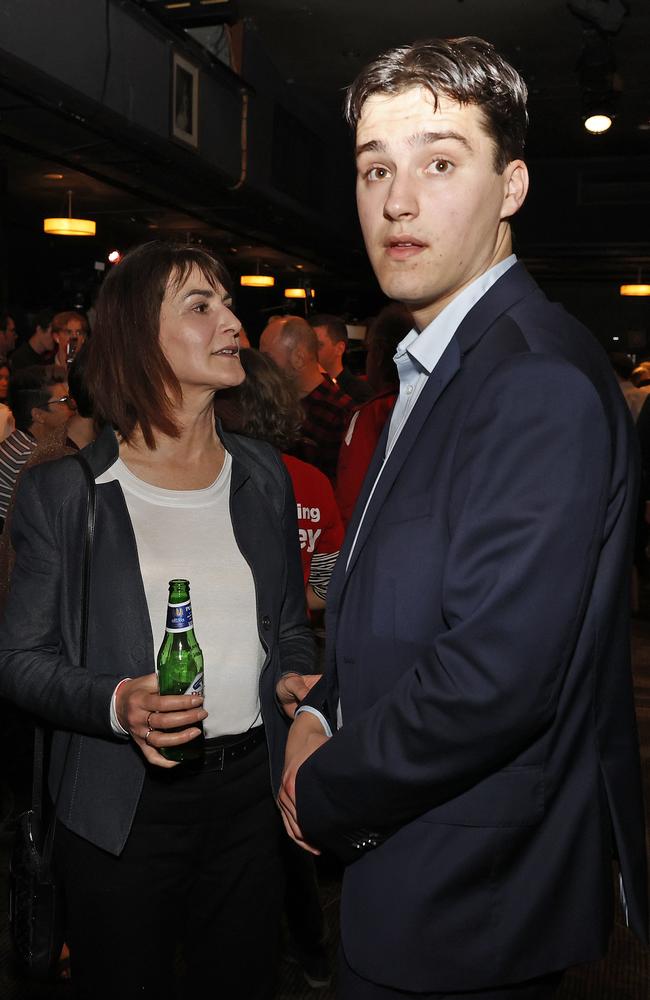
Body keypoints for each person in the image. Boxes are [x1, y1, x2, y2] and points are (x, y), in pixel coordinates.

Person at [278, 36, 649, 1000]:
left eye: (440, 163)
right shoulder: (441, 362)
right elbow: (406, 603)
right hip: (428, 880)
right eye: (375, 170)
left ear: (511, 186)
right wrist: (324, 705)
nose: (397, 201)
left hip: (469, 904)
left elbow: (492, 678)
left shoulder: (530, 377)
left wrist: (324, 786)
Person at [0, 241, 317, 1000]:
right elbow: (19, 658)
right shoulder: (68, 493)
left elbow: (287, 624)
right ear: (142, 335)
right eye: (201, 307)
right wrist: (117, 704)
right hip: (120, 810)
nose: (233, 323)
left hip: (250, 798)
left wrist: (296, 682)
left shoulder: (263, 474)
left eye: (228, 304)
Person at [336, 303, 412, 526]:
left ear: (378, 354)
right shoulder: (448, 403)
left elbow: (351, 502)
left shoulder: (371, 416)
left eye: (368, 351)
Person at [260, 315, 354, 483]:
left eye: (268, 358)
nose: (263, 367)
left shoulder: (340, 412)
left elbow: (342, 486)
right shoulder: (271, 405)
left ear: (298, 358)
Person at [0, 367, 71, 525]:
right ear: (38, 415)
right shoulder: (29, 458)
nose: (72, 408)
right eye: (64, 402)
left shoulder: (20, 442)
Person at [309, 313, 374, 403]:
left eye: (318, 345)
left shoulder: (359, 392)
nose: (310, 351)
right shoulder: (304, 386)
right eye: (307, 345)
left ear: (339, 349)